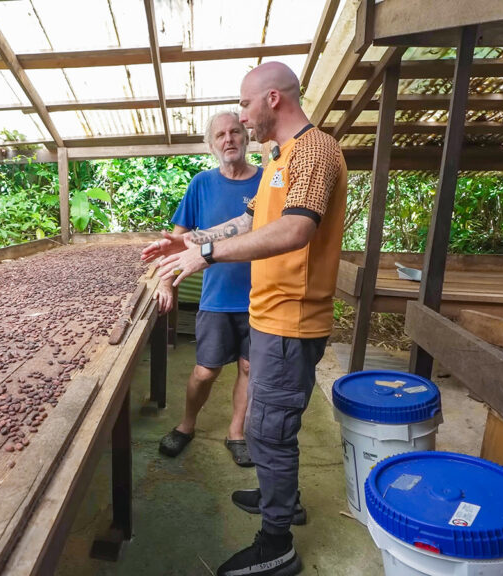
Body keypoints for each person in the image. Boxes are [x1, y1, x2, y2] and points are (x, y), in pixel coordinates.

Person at [142, 61, 347, 576]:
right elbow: (252, 219)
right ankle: (284, 498)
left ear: (272, 99)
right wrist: (191, 239)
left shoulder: (316, 150)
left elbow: (296, 230)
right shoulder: (281, 158)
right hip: (269, 314)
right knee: (270, 424)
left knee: (268, 431)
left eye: (245, 105)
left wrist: (206, 257)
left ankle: (276, 544)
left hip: (292, 319)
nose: (242, 116)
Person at [155, 111, 261, 467]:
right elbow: (176, 240)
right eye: (220, 135)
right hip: (217, 297)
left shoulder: (267, 182)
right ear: (211, 145)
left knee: (249, 368)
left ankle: (237, 433)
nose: (228, 139)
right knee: (205, 370)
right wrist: (165, 282)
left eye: (235, 131)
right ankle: (187, 424)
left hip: (261, 297)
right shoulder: (201, 184)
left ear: (247, 137)